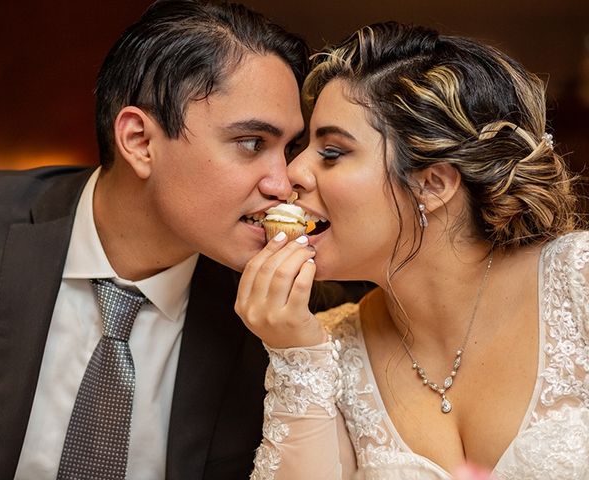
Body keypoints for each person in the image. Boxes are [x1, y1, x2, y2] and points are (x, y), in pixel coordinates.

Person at [0, 1, 369, 479]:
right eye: (252, 143)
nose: (284, 181)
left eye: (289, 149)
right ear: (140, 141)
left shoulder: (294, 316)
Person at [235, 22, 589, 479]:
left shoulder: (579, 283)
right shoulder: (326, 349)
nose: (291, 174)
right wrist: (294, 353)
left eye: (332, 152)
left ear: (432, 183)